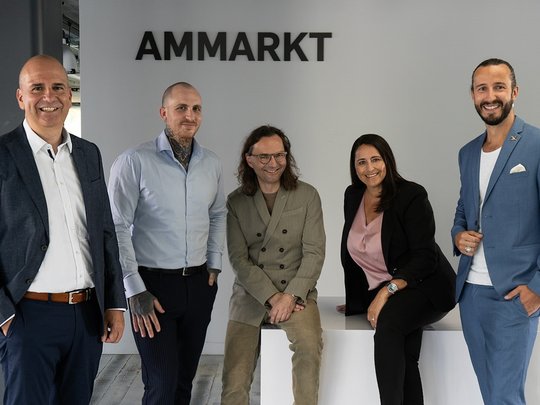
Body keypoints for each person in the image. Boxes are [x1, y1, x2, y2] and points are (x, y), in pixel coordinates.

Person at [0, 55, 126, 405]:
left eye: (58, 87)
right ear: (20, 97)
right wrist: (5, 317)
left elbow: (104, 232)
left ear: (70, 94)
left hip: (85, 315)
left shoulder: (88, 154)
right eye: (37, 88)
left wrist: (114, 304)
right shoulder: (4, 156)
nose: (49, 97)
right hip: (27, 316)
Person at [108, 81, 226, 404]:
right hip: (152, 289)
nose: (190, 115)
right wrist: (134, 288)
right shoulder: (134, 162)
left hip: (199, 285)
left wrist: (214, 264)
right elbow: (116, 226)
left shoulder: (212, 164)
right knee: (161, 385)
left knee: (183, 383)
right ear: (163, 113)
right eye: (181, 108)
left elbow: (218, 214)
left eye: (196, 108)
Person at [338, 134, 456, 405]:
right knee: (406, 355)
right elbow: (356, 250)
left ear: (388, 161)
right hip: (392, 291)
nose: (370, 168)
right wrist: (358, 300)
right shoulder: (353, 195)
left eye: (376, 159)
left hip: (426, 286)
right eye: (361, 162)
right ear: (354, 167)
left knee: (389, 326)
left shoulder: (411, 195)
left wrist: (385, 293)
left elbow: (426, 257)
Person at [452, 58, 540, 405]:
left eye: (498, 87)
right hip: (471, 294)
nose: (490, 96)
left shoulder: (535, 145)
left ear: (514, 92)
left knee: (504, 397)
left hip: (513, 295)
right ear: (473, 96)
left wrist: (537, 288)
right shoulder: (468, 153)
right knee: (491, 395)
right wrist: (458, 235)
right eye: (482, 88)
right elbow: (464, 210)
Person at [221, 125, 325, 405]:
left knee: (309, 349)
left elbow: (315, 252)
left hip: (296, 293)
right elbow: (238, 259)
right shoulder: (235, 202)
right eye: (264, 157)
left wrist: (290, 296)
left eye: (280, 155)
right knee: (234, 378)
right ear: (249, 159)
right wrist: (272, 297)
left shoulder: (307, 195)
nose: (273, 163)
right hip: (250, 295)